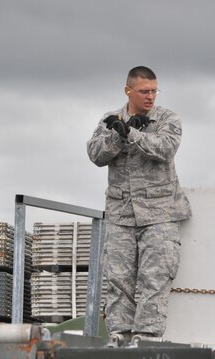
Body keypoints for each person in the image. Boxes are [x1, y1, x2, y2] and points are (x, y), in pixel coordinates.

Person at [87, 66, 191, 344]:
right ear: (128, 90)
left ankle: (146, 340)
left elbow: (166, 147)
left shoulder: (167, 118)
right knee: (117, 281)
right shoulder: (111, 120)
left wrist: (133, 135)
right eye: (144, 91)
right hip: (121, 216)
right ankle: (119, 339)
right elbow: (96, 154)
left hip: (159, 215)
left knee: (154, 280)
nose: (150, 97)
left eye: (154, 91)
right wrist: (117, 135)